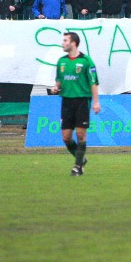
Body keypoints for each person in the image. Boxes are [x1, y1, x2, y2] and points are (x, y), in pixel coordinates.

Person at [50, 32, 101, 176]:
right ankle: (81, 159)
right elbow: (59, 80)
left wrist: (96, 102)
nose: (63, 43)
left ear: (73, 43)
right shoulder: (61, 61)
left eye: (65, 40)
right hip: (66, 101)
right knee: (66, 137)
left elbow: (93, 83)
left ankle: (77, 166)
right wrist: (56, 87)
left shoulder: (86, 61)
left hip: (82, 101)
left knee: (80, 134)